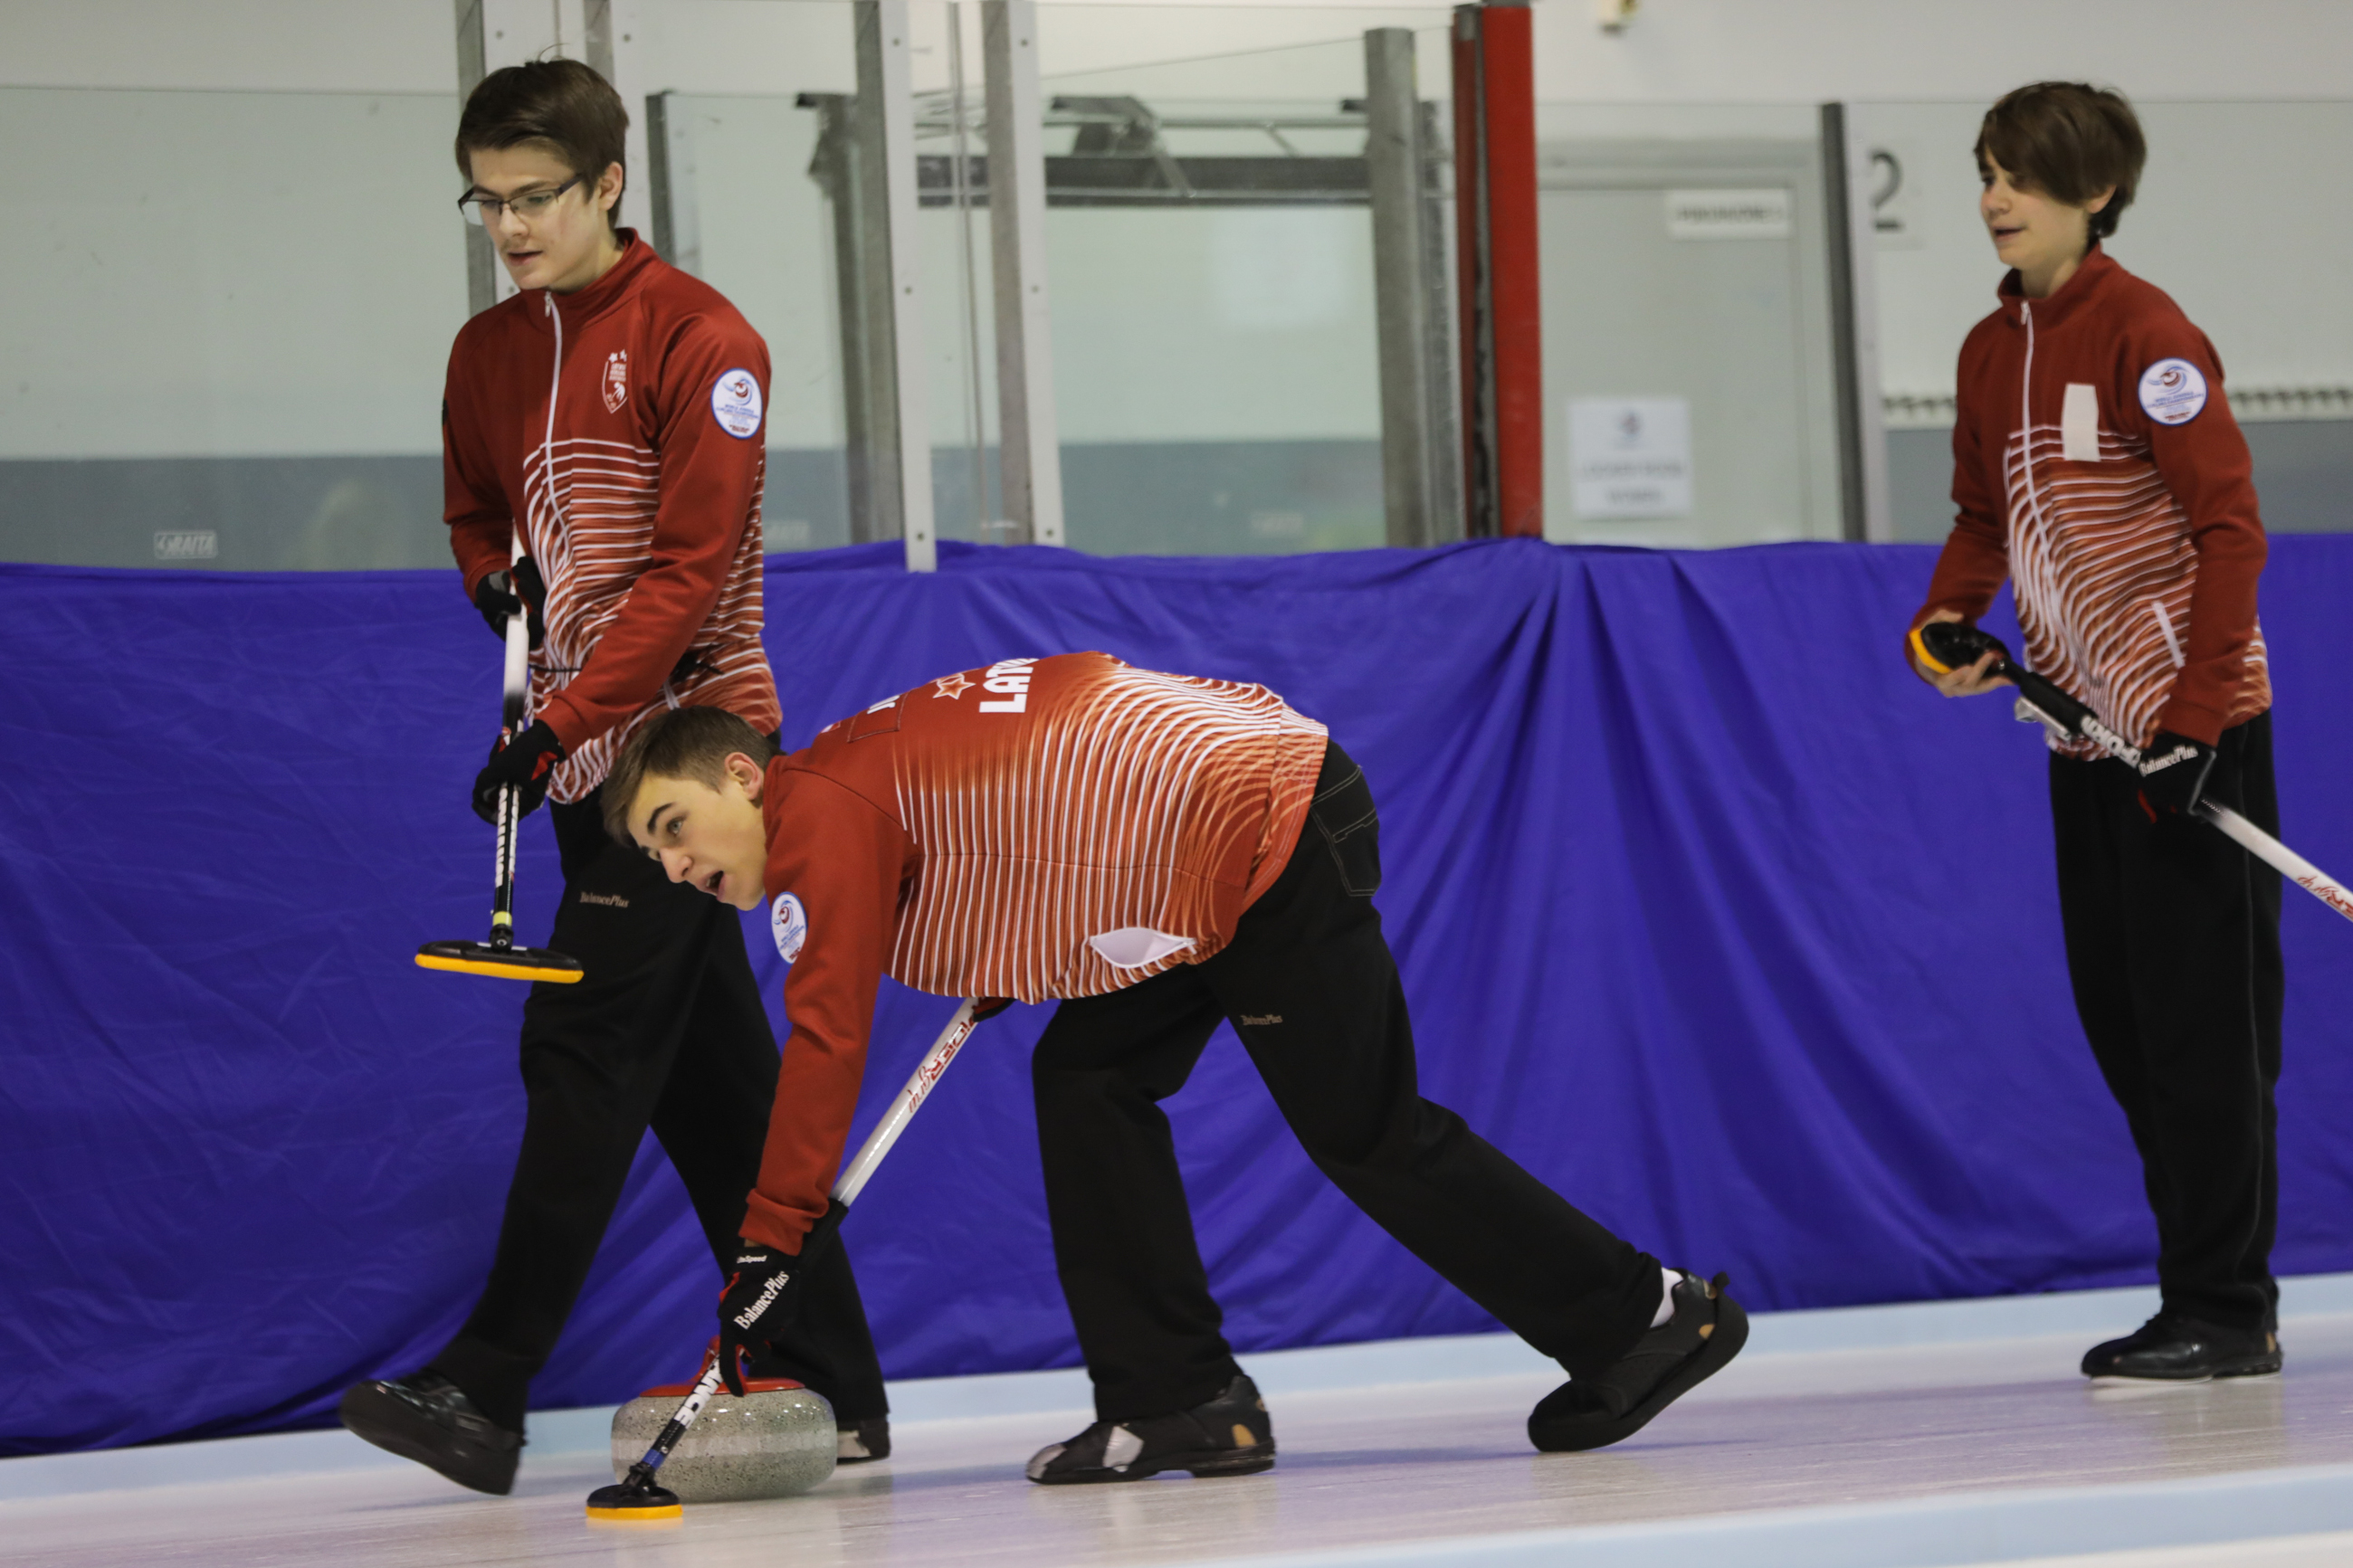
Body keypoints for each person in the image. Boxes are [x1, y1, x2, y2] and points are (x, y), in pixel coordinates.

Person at [599, 651, 1748, 1482]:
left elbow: (827, 1036)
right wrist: (1032, 934)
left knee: (1366, 1130)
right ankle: (1177, 1397)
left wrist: (772, 1232)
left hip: (1259, 833)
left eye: (672, 823)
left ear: (743, 777)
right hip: (1198, 848)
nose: (672, 863)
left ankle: (1647, 1316)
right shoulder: (855, 776)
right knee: (1086, 1079)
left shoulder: (819, 815)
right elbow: (1026, 798)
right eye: (653, 851)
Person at [338, 60, 888, 1496]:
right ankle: (839, 1377)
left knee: (579, 1051)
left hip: (698, 757)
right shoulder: (487, 351)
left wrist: (564, 716)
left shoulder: (709, 342)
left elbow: (691, 570)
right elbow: (474, 508)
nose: (510, 225)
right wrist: (488, 581)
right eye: (488, 199)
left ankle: (487, 1384)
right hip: (582, 751)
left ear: (607, 187)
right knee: (708, 1087)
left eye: (537, 198)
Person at [1907, 82, 2282, 1382]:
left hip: (2192, 730)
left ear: (2098, 193)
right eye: (1988, 172)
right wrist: (1948, 616)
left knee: (2203, 1035)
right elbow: (1978, 515)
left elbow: (2232, 534)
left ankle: (2228, 1312)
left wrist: (2190, 725)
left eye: (2021, 177)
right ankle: (2199, 1294)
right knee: (2125, 1025)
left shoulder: (2147, 334)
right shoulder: (1985, 346)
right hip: (2081, 737)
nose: (1993, 198)